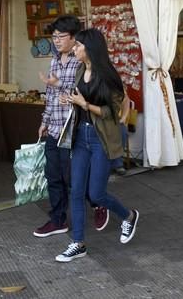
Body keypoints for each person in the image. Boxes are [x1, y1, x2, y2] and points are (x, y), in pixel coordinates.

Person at [55, 28, 138, 262]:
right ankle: (78, 243)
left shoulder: (109, 75)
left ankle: (129, 216)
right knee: (77, 191)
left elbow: (111, 112)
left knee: (97, 194)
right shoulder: (82, 70)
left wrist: (84, 104)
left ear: (90, 48)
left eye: (78, 46)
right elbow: (79, 98)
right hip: (81, 136)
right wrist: (71, 100)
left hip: (101, 139)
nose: (75, 48)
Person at [35, 15, 85, 238]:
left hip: (73, 130)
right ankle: (57, 220)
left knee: (72, 178)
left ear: (73, 38)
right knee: (53, 176)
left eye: (60, 36)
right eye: (53, 36)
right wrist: (44, 122)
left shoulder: (82, 59)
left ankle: (98, 202)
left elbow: (83, 91)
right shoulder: (54, 60)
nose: (56, 40)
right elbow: (51, 95)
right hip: (54, 129)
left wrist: (59, 84)